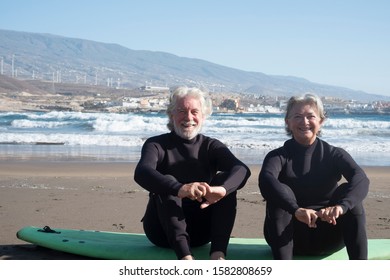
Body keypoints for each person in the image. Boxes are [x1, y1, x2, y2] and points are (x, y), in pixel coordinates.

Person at [134, 86, 251, 260]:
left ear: (203, 116)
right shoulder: (156, 144)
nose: (188, 117)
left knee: (224, 180)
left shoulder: (210, 146)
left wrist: (222, 190)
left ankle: (218, 255)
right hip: (162, 232)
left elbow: (241, 169)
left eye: (194, 112)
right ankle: (185, 258)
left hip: (203, 234)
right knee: (168, 181)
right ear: (172, 114)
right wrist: (179, 188)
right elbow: (142, 172)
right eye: (181, 111)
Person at [258, 93, 369, 260]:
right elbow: (266, 180)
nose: (305, 122)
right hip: (287, 239)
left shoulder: (334, 153)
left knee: (348, 190)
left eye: (311, 116)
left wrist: (341, 207)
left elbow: (361, 178)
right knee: (281, 192)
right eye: (297, 116)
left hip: (330, 238)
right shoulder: (278, 156)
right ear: (287, 122)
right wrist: (296, 210)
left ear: (321, 121)